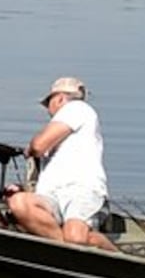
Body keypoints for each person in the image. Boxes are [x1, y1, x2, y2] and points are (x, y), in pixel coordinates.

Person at [6, 74, 110, 247]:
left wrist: (29, 150)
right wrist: (22, 187)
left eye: (49, 103)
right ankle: (69, 250)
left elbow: (38, 146)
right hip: (51, 196)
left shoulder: (77, 108)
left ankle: (119, 260)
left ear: (60, 98)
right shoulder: (64, 137)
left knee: (76, 237)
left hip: (80, 190)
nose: (48, 110)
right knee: (19, 202)